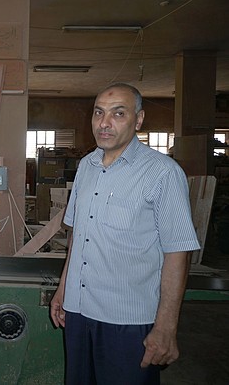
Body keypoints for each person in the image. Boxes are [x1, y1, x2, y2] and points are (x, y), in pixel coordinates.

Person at [49, 82, 200, 385]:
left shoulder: (163, 173)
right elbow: (79, 237)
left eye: (118, 113)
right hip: (79, 312)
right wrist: (63, 290)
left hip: (128, 322)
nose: (104, 123)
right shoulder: (86, 167)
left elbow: (177, 252)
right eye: (99, 113)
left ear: (139, 119)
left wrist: (166, 328)